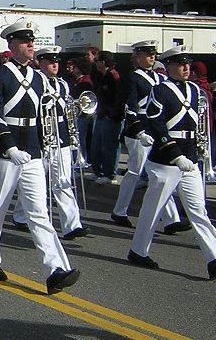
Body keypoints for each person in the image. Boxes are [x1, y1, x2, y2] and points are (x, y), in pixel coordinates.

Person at [0, 20, 79, 294]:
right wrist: (10, 147)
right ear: (11, 45)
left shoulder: (39, 77)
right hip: (6, 151)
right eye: (24, 41)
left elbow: (43, 114)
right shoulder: (0, 75)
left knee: (39, 212)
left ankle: (55, 269)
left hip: (33, 149)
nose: (30, 45)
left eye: (31, 40)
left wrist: (50, 143)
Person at [127, 45, 216, 281]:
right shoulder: (159, 91)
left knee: (198, 210)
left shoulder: (194, 89)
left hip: (190, 157)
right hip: (166, 160)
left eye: (187, 64)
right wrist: (175, 155)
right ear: (168, 66)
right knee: (153, 210)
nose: (185, 68)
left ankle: (215, 259)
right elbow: (156, 123)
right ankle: (139, 251)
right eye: (180, 64)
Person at [13, 47, 88, 239]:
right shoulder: (35, 82)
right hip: (41, 140)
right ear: (40, 63)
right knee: (35, 183)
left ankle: (72, 225)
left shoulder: (63, 84)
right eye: (49, 61)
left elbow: (66, 112)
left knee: (63, 181)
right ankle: (21, 215)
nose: (55, 65)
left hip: (60, 138)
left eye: (56, 61)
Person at [111, 40, 185, 230]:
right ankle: (120, 211)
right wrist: (139, 131)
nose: (152, 57)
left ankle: (171, 220)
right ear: (137, 57)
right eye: (147, 54)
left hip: (155, 130)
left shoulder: (160, 78)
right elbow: (130, 106)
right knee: (135, 173)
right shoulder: (133, 78)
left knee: (158, 175)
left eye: (153, 54)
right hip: (139, 131)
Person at [89, 50, 124, 184]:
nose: (95, 63)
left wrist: (112, 114)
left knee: (110, 146)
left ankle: (110, 174)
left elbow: (118, 97)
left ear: (103, 62)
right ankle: (98, 171)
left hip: (110, 117)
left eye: (97, 60)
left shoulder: (113, 76)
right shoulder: (100, 75)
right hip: (101, 114)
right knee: (97, 144)